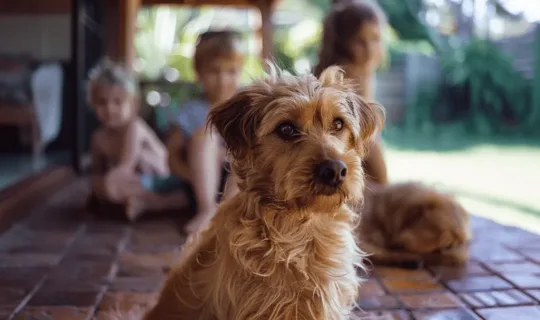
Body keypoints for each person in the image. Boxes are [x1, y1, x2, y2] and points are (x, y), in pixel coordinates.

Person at [88, 59, 190, 221]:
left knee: (113, 183)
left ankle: (157, 202)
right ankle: (144, 203)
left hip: (163, 181)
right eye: (102, 102)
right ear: (93, 104)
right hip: (135, 183)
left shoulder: (135, 127)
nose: (109, 109)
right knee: (104, 186)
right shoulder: (98, 138)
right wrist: (98, 187)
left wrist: (105, 187)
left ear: (133, 104)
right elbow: (96, 172)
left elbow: (125, 168)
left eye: (117, 102)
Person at [167, 30, 244, 233]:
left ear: (240, 71)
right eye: (214, 71)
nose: (222, 79)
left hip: (236, 186)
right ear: (198, 73)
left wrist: (224, 155)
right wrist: (193, 174)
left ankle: (228, 213)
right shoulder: (190, 110)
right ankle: (207, 210)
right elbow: (172, 158)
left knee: (246, 150)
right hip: (199, 187)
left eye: (231, 72)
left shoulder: (245, 108)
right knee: (204, 136)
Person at [314, 0, 389, 185]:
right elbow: (369, 142)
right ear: (341, 44)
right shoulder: (344, 77)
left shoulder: (365, 73)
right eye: (360, 42)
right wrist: (387, 185)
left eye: (375, 39)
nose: (370, 50)